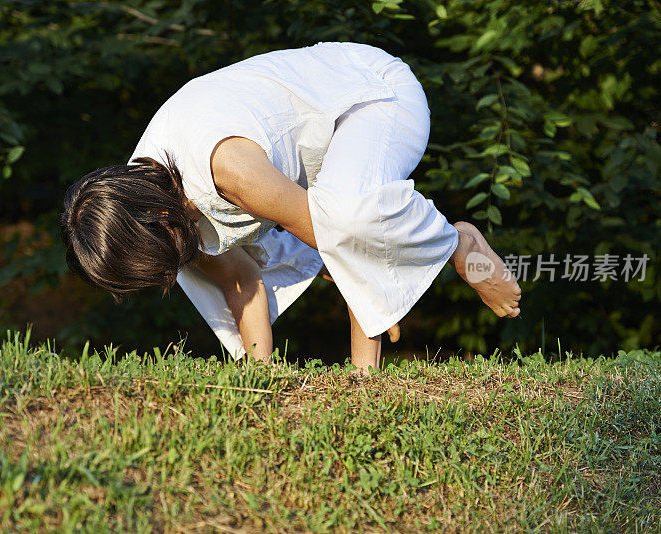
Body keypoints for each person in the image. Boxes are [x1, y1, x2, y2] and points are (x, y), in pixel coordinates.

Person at [60, 42, 521, 373]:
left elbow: (346, 244)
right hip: (310, 162)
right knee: (195, 268)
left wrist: (367, 370)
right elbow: (237, 277)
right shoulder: (140, 199)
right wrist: (260, 381)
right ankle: (261, 364)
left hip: (375, 97)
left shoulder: (230, 171)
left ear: (161, 217)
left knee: (345, 221)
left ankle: (458, 242)